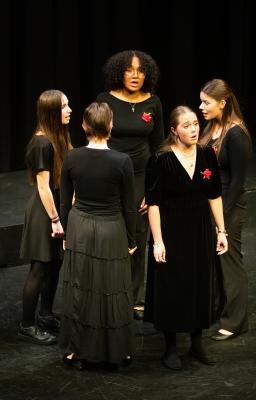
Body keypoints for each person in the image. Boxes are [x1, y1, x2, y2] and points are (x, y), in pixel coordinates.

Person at [144, 105, 228, 370]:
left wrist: (221, 230)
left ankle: (196, 341)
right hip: (171, 229)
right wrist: (158, 241)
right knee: (172, 283)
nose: (193, 129)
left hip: (200, 228)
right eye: (186, 126)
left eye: (195, 124)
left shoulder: (206, 154)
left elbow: (214, 194)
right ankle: (170, 346)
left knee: (199, 280)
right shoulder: (161, 159)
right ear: (174, 130)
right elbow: (154, 204)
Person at [59, 102, 137, 370]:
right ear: (111, 126)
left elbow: (64, 200)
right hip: (111, 229)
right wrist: (132, 239)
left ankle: (77, 350)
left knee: (81, 287)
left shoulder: (72, 157)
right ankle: (117, 351)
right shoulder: (122, 161)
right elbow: (130, 205)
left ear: (84, 126)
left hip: (80, 226)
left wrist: (67, 232)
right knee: (112, 289)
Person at [96, 50, 164, 318]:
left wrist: (153, 188)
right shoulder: (105, 100)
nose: (135, 76)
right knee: (112, 234)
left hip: (140, 177)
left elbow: (158, 147)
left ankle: (135, 296)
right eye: (129, 70)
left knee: (138, 233)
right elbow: (96, 139)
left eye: (140, 70)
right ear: (119, 72)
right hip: (111, 176)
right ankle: (111, 291)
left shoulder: (153, 102)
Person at [199, 78, 251, 340]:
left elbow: (238, 182)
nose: (201, 107)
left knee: (230, 261)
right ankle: (219, 309)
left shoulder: (236, 134)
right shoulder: (212, 128)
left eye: (206, 103)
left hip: (228, 205)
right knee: (214, 261)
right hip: (212, 204)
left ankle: (235, 321)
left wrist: (222, 221)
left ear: (222, 103)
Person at [19, 89, 72, 344]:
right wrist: (55, 220)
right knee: (39, 268)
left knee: (55, 265)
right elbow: (43, 187)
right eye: (64, 106)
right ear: (52, 111)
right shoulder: (42, 142)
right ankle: (27, 324)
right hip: (44, 212)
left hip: (56, 208)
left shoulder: (58, 137)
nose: (69, 110)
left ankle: (46, 314)